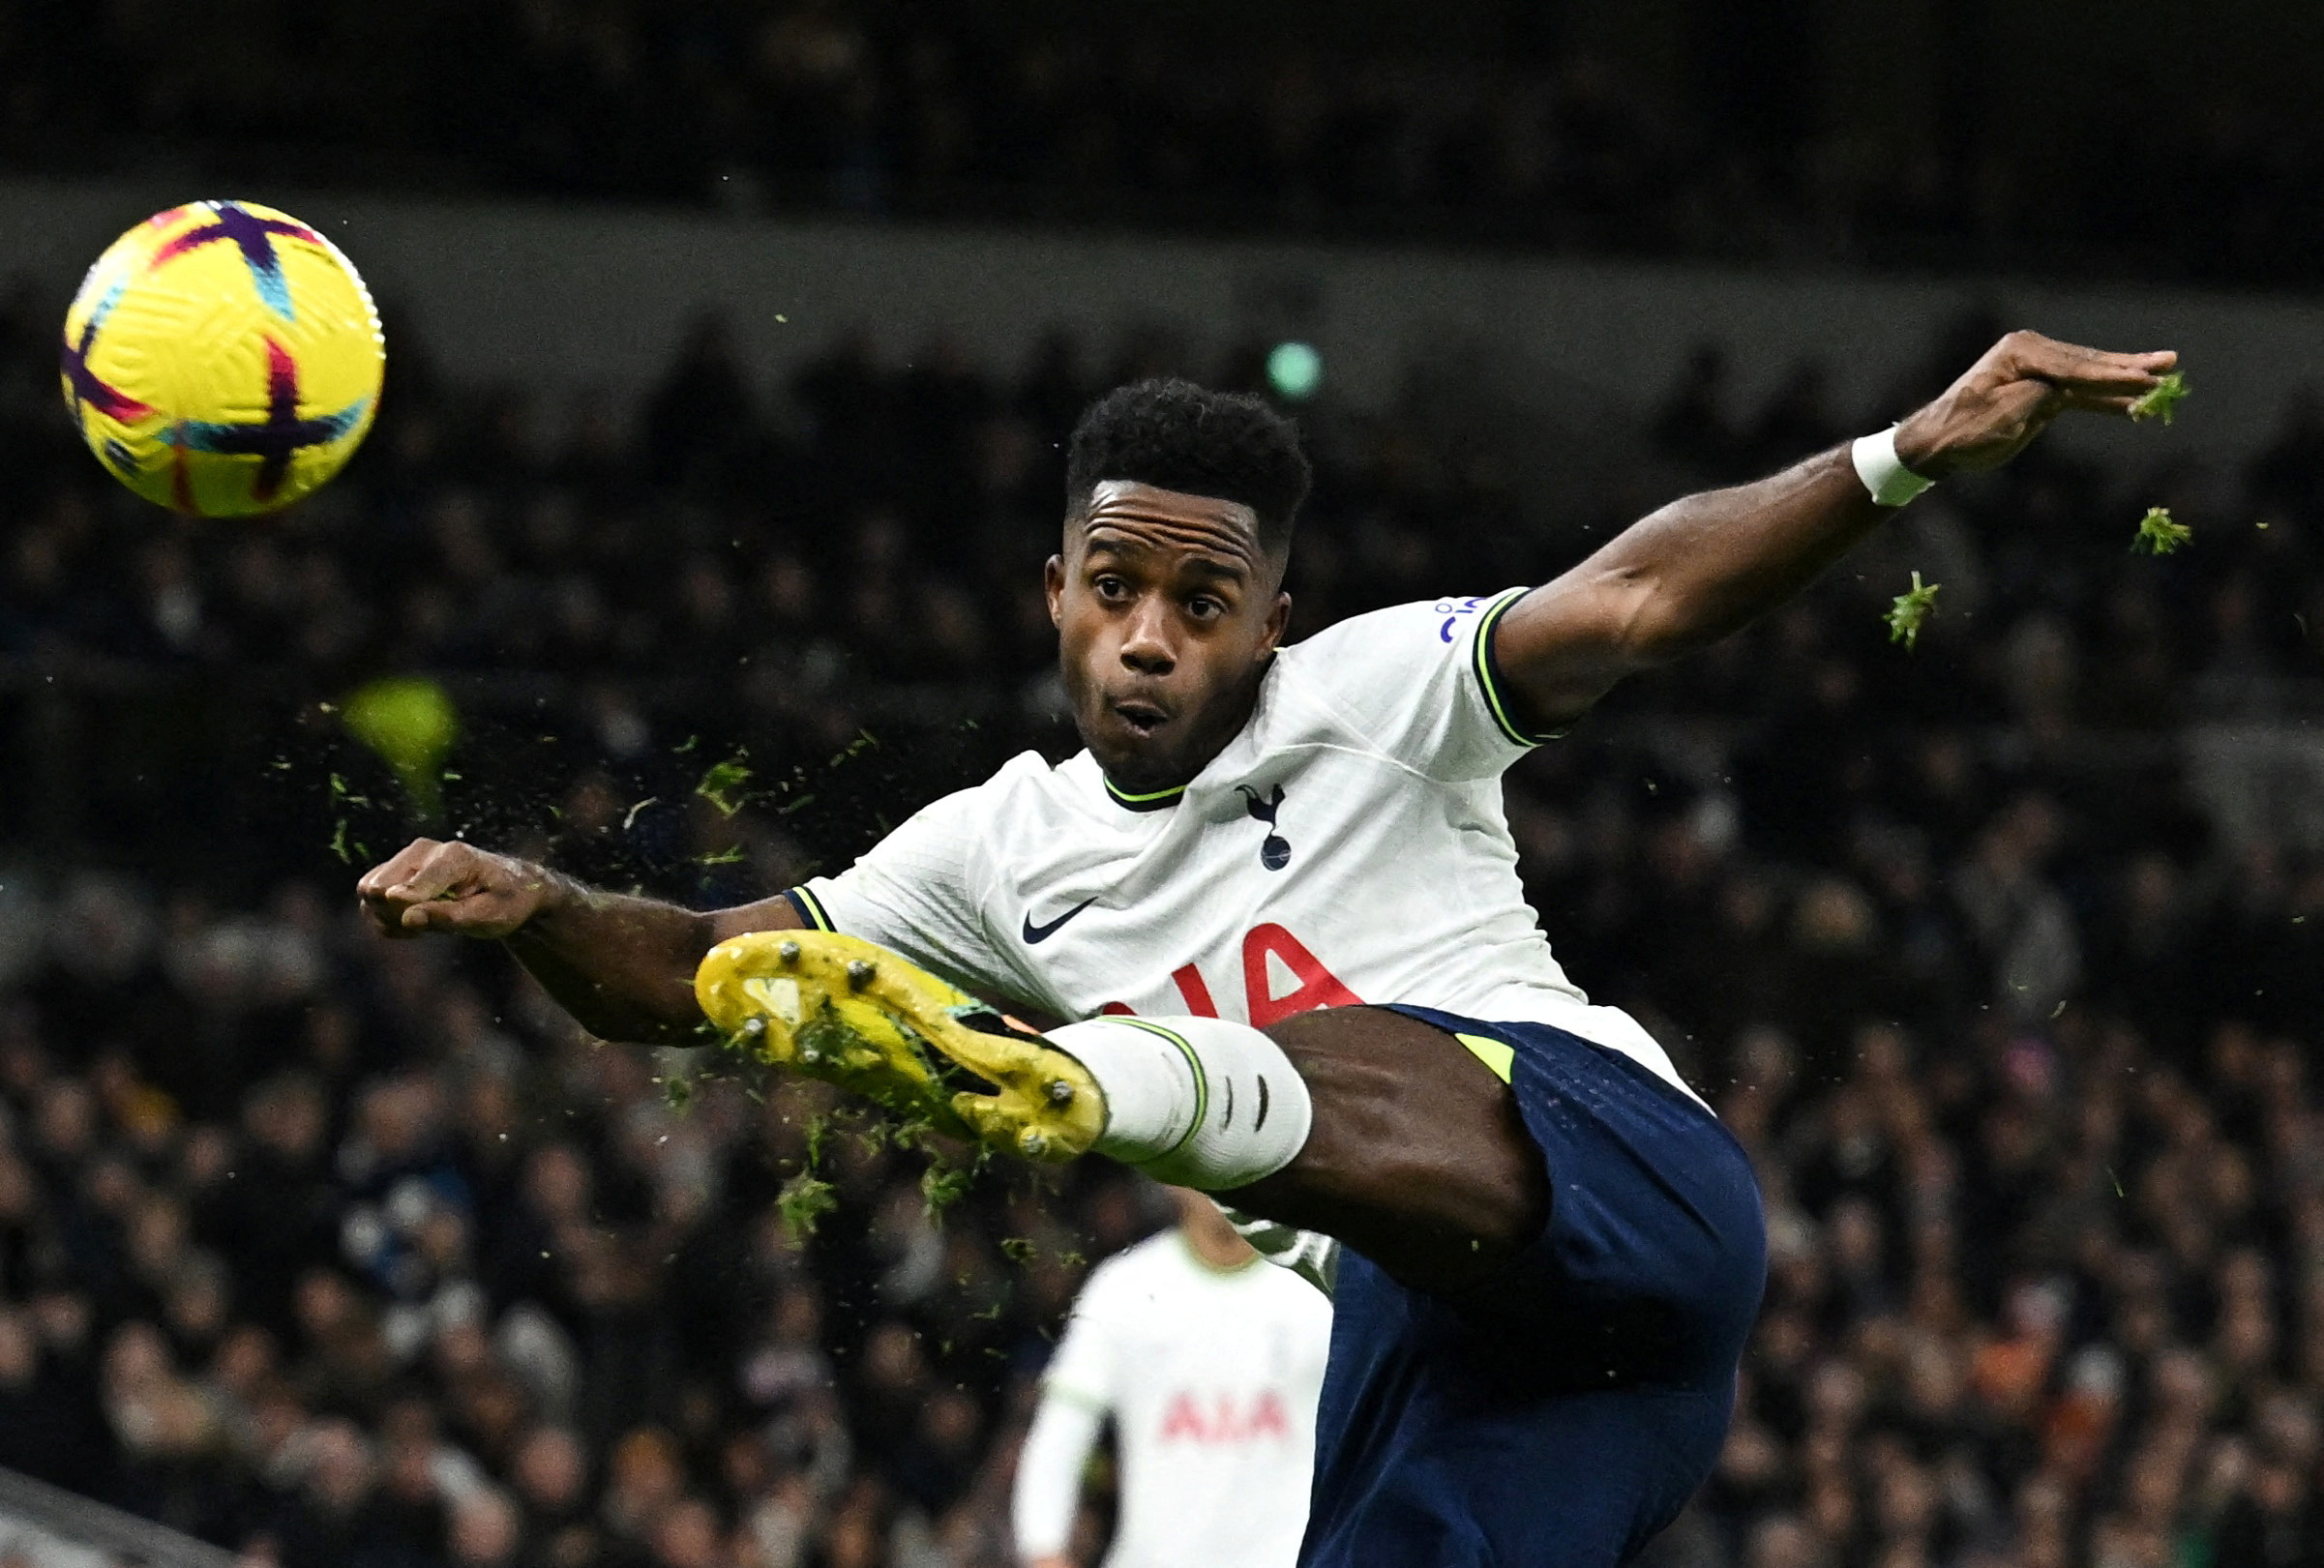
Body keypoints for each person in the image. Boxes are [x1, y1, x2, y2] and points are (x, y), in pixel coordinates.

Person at [359, 331, 2176, 1565]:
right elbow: (691, 976)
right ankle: (1091, 1090)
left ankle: (1079, 1090)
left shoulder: (1379, 691)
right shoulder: (992, 854)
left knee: (1356, 1047)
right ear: (1057, 597)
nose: (1151, 640)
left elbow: (1637, 594)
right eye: (1118, 592)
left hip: (1615, 1170)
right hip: (1469, 1345)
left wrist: (1898, 456)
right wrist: (538, 906)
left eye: (1202, 604)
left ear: (1270, 623)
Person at [1010, 1185, 1332, 1568]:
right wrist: (1044, 1549)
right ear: (1169, 1179)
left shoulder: (1318, 1284)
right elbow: (1058, 1437)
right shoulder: (1124, 1287)